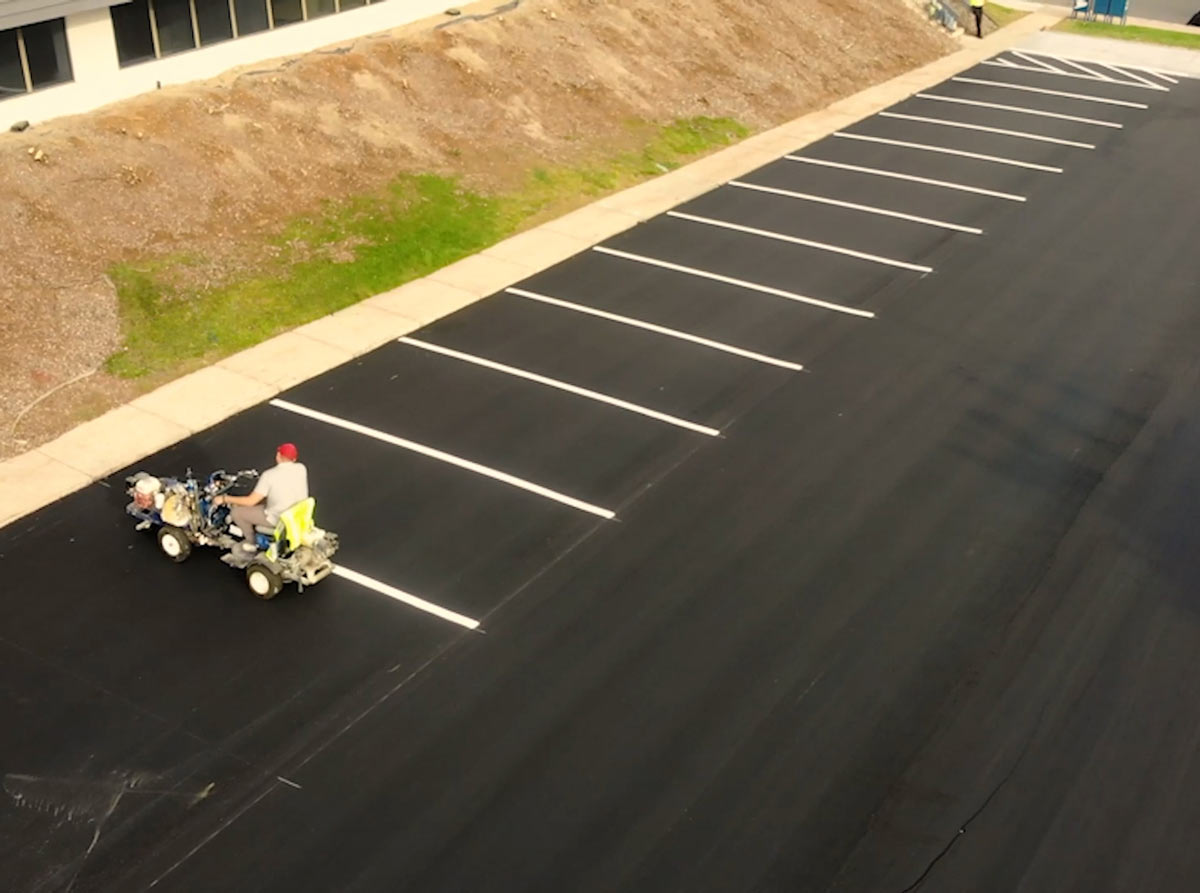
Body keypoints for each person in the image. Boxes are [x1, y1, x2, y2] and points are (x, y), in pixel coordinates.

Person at [215, 443, 309, 552]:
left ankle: (251, 543)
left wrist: (224, 499)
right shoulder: (301, 468)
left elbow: (250, 501)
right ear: (295, 458)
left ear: (278, 456)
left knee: (237, 512)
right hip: (295, 514)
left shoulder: (269, 475)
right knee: (258, 504)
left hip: (278, 519)